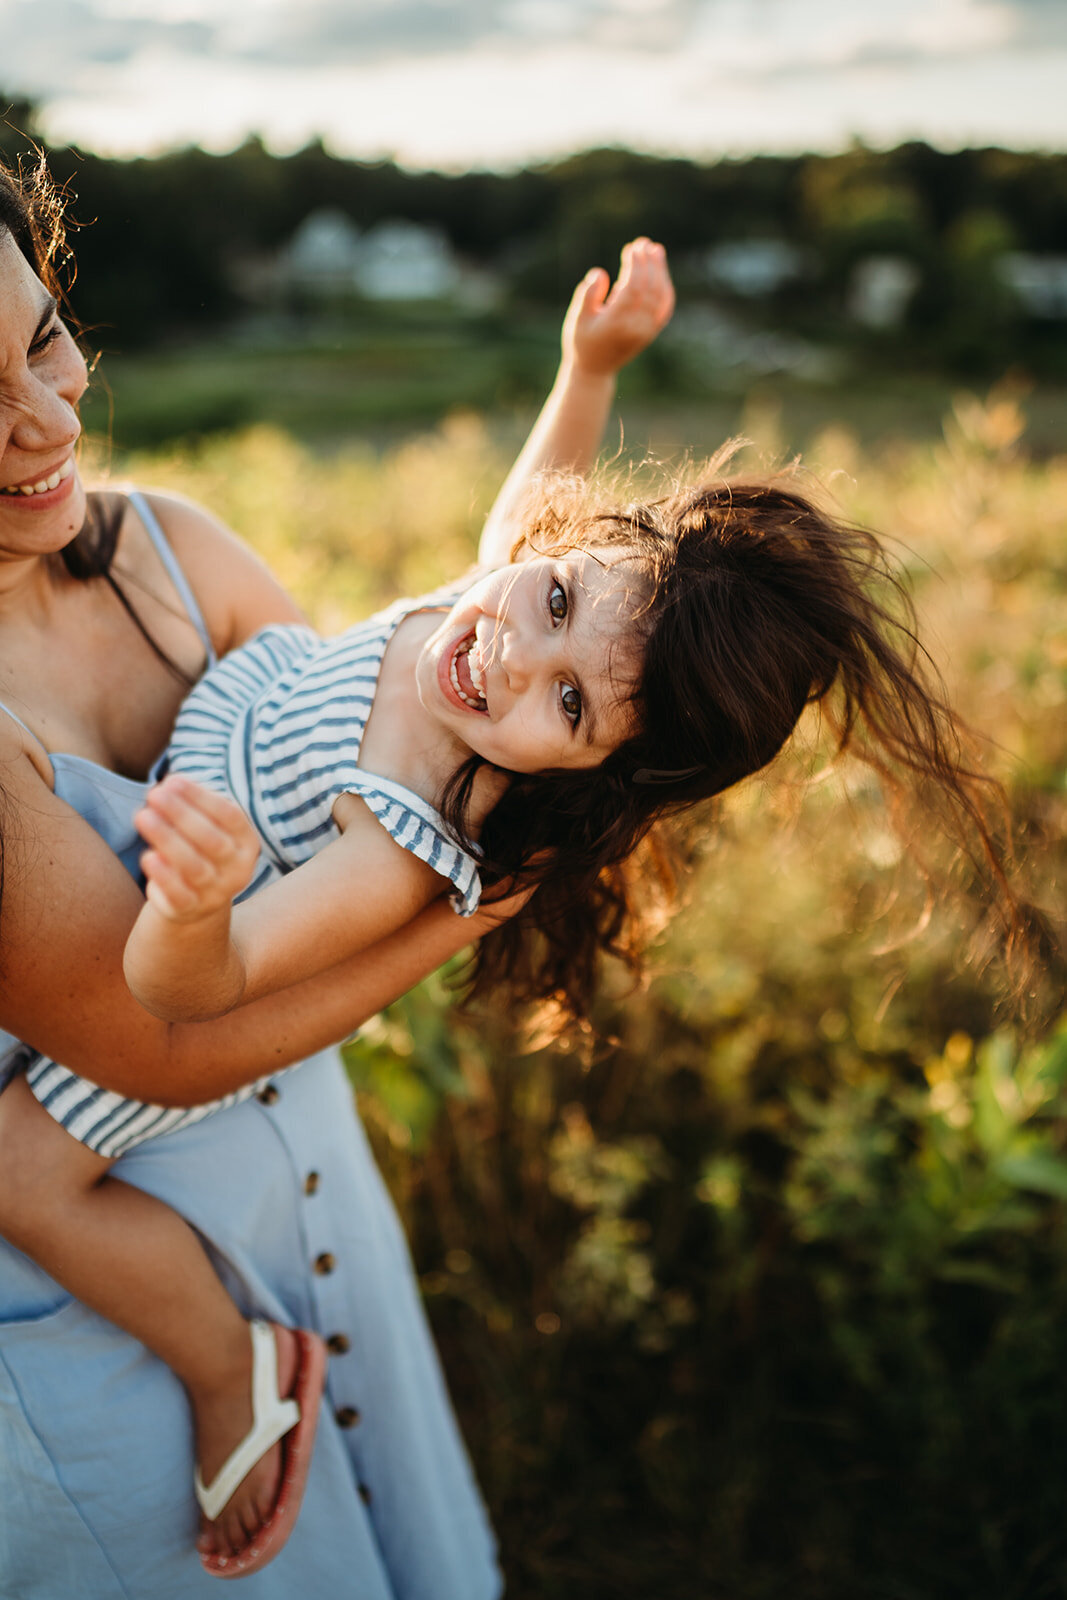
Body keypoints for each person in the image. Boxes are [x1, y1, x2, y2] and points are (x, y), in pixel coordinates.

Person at [0, 149, 673, 1599]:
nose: (49, 414)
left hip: (309, 1218)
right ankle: (221, 1363)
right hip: (78, 1355)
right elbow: (157, 1031)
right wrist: (587, 372)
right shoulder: (472, 643)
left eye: (45, 336)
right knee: (17, 1167)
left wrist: (588, 372)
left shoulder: (173, 557)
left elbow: (244, 954)